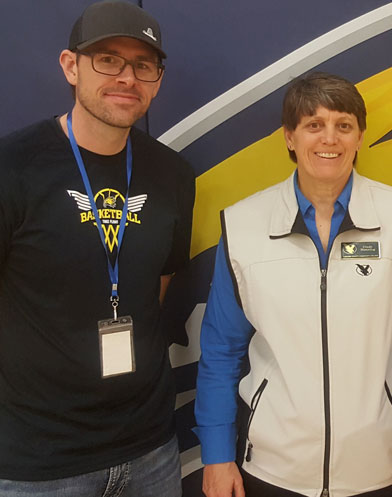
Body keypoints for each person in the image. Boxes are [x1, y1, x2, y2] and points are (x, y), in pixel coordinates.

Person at [194, 72, 392, 497]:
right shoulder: (243, 225)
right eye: (314, 125)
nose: (329, 138)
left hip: (382, 465)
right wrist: (217, 456)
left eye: (343, 125)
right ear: (290, 138)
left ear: (360, 136)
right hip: (276, 469)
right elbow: (222, 349)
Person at [0, 1, 195, 495]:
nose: (127, 77)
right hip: (39, 463)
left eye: (143, 66)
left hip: (150, 448)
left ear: (156, 79)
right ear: (71, 66)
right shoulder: (13, 167)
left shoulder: (172, 174)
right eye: (107, 59)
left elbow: (159, 282)